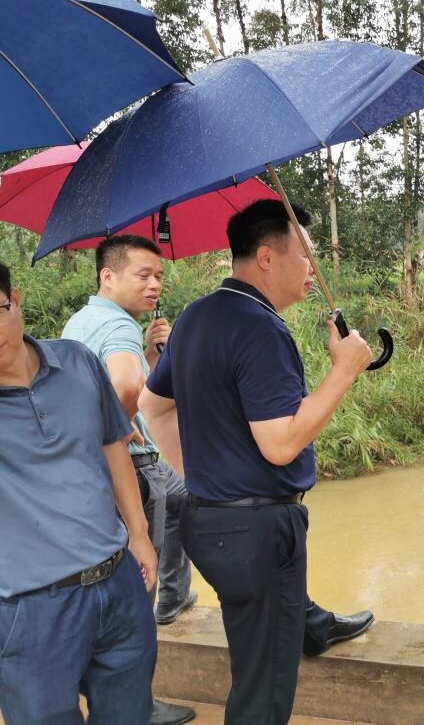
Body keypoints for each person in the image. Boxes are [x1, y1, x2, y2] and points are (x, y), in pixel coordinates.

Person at [139, 199, 374, 724]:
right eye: (305, 255)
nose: (312, 268)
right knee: (263, 695)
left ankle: (309, 625)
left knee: (261, 641)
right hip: (257, 532)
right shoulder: (260, 328)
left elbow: (153, 406)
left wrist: (204, 477)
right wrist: (344, 371)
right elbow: (281, 443)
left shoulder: (199, 314)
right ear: (267, 258)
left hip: (211, 521)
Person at [0, 261, 158, 723]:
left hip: (118, 583)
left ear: (17, 301)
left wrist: (140, 533)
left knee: (129, 713)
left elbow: (113, 444)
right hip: (30, 609)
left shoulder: (77, 360)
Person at [61, 235, 197, 725]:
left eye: (159, 275)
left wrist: (153, 351)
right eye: (143, 274)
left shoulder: (81, 321)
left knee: (186, 497)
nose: (155, 284)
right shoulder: (117, 326)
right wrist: (111, 437)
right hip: (132, 470)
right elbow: (126, 386)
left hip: (101, 474)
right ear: (108, 276)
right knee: (138, 582)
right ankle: (139, 698)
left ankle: (176, 592)